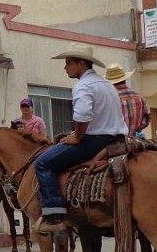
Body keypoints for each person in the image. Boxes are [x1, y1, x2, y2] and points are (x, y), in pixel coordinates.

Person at [33, 44, 126, 233]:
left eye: (68, 63)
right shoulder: (107, 85)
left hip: (93, 141)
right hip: (116, 140)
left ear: (81, 63)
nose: (65, 67)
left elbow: (83, 115)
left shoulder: (83, 86)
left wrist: (76, 137)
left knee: (42, 163)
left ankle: (54, 217)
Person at [104, 63, 150, 137]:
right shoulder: (138, 97)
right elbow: (146, 119)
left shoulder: (109, 98)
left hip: (113, 142)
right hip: (132, 142)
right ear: (124, 79)